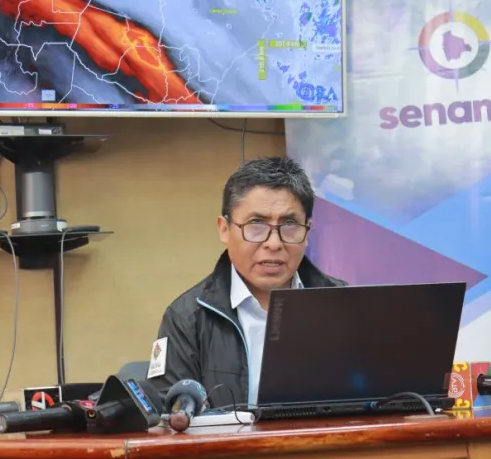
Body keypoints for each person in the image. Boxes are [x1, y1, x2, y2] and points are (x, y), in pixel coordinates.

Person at [147, 156, 346, 409]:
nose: (274, 243)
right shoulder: (187, 317)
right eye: (256, 225)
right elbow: (169, 414)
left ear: (308, 231)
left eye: (289, 225)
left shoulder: (344, 305)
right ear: (224, 229)